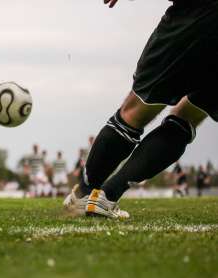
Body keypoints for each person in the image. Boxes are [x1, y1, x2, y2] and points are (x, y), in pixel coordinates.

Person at [64, 0, 218, 218]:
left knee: (134, 111)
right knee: (187, 117)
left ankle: (84, 194)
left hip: (197, 14)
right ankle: (107, 196)